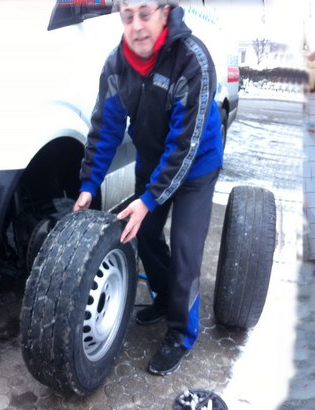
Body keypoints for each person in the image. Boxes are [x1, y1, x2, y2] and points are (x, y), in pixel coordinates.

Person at [73, 0, 224, 375]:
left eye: (144, 14)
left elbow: (184, 146)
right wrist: (89, 185)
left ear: (165, 11)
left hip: (195, 168)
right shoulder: (116, 65)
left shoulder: (194, 61)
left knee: (187, 253)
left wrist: (149, 199)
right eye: (128, 17)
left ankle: (180, 333)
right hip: (152, 161)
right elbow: (105, 128)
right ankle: (162, 298)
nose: (137, 26)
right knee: (147, 236)